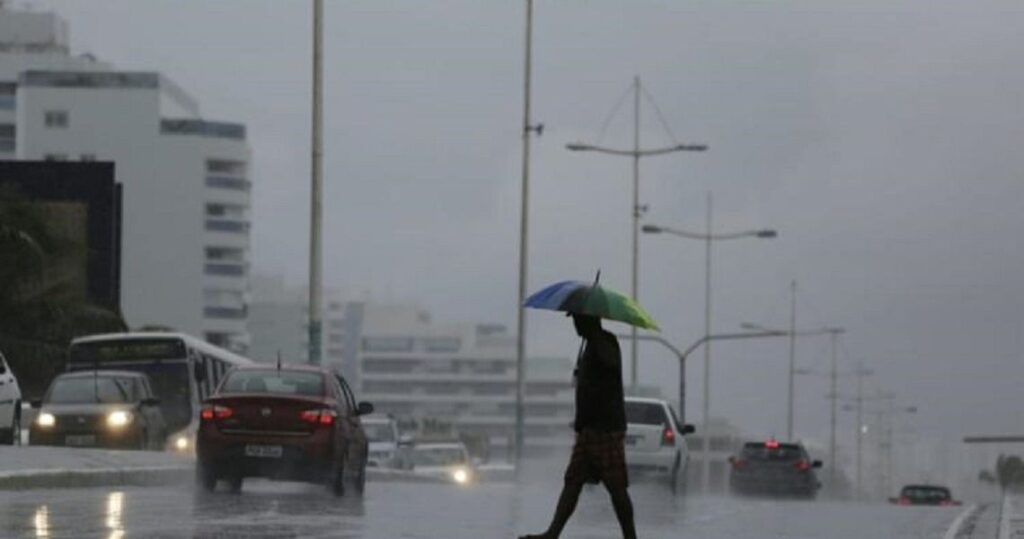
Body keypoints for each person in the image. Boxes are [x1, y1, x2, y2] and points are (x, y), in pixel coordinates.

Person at [520, 313, 637, 539]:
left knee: (616, 487)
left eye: (577, 320)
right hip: (588, 429)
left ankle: (631, 536)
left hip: (605, 429)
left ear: (589, 321)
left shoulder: (604, 342)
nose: (575, 325)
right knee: (572, 481)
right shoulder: (589, 347)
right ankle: (552, 533)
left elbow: (611, 362)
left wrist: (595, 340)